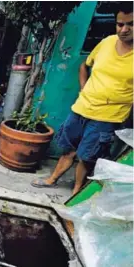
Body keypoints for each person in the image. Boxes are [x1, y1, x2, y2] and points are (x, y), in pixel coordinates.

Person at [31, 3, 133, 195]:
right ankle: (52, 179)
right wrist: (84, 90)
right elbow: (84, 66)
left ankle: (76, 191)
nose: (124, 29)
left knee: (87, 157)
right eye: (120, 24)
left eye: (131, 24)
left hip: (108, 117)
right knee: (68, 149)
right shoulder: (107, 43)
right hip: (82, 108)